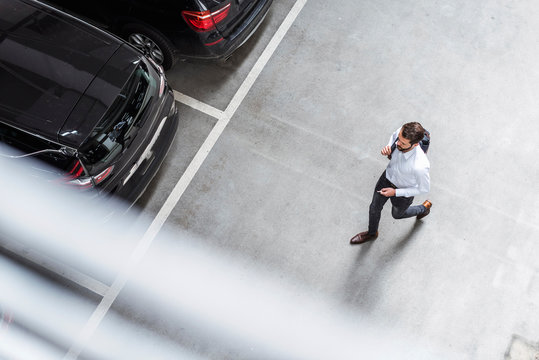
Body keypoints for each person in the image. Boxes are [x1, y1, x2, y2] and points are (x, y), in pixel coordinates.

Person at [350, 122, 431, 245]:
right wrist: (388, 147)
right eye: (399, 139)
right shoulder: (401, 133)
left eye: (403, 143)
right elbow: (393, 137)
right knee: (374, 208)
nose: (398, 143)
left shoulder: (420, 165)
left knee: (397, 215)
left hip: (403, 193)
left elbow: (424, 188)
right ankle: (372, 233)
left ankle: (423, 208)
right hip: (386, 179)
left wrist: (395, 192)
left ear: (415, 145)